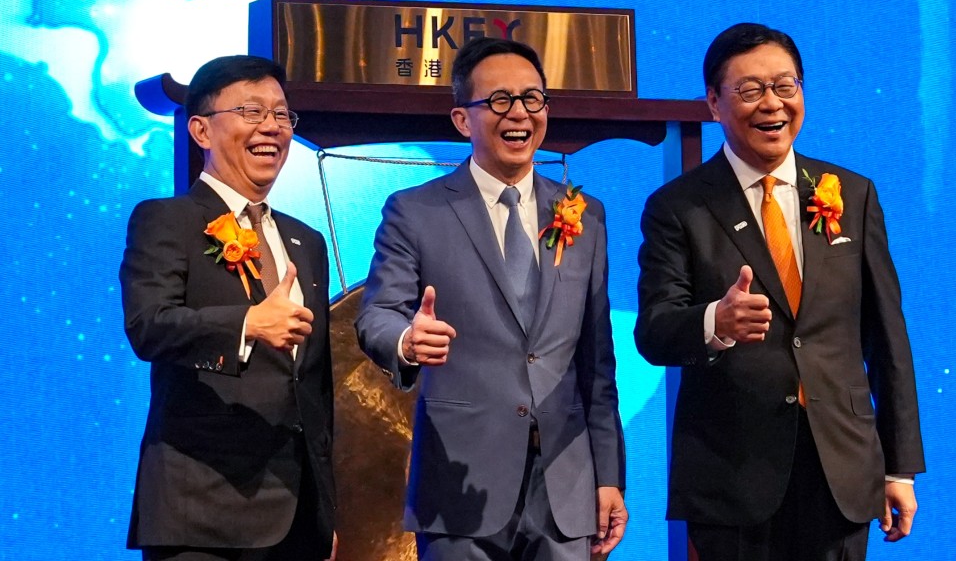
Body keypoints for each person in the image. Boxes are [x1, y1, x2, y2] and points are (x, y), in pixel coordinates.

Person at [635, 23, 925, 561]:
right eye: (749, 90)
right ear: (714, 103)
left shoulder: (851, 194)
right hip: (732, 480)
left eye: (785, 86)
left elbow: (887, 337)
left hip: (841, 473)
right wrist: (714, 324)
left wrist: (899, 466)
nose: (772, 104)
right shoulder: (678, 207)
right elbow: (653, 331)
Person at [356, 36, 627, 560]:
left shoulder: (584, 214)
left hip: (565, 488)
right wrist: (410, 341)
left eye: (532, 99)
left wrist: (608, 475)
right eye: (500, 101)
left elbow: (597, 362)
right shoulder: (416, 212)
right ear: (463, 120)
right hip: (460, 485)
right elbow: (378, 314)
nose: (519, 113)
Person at [120, 55, 337, 560]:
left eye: (282, 115)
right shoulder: (166, 219)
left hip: (298, 517)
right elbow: (148, 326)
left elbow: (315, 383)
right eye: (251, 111)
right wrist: (246, 322)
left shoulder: (306, 241)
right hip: (201, 513)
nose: (271, 128)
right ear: (201, 130)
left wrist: (327, 512)